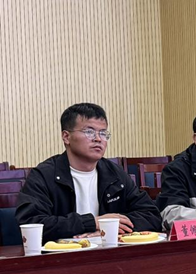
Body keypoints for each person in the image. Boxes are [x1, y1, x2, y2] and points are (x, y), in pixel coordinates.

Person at [15, 103, 161, 242]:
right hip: (61, 254)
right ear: (66, 137)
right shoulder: (43, 175)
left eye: (103, 133)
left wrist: (110, 228)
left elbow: (151, 215)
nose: (98, 139)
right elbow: (31, 224)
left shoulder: (114, 174)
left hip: (108, 251)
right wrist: (91, 223)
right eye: (89, 132)